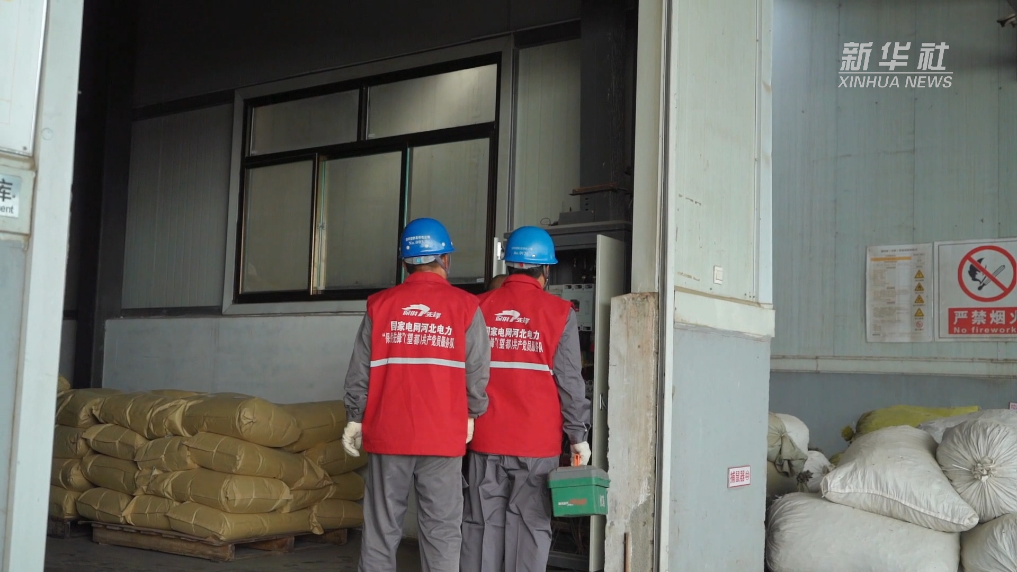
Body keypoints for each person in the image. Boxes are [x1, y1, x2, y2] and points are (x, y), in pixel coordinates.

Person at [342, 217, 491, 572]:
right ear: (445, 259)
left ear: (405, 263)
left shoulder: (380, 305)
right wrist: (472, 413)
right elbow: (477, 370)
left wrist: (355, 416)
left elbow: (360, 369)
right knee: (442, 532)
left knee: (381, 531)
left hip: (387, 433)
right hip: (442, 435)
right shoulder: (466, 306)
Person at [460, 226, 592, 572]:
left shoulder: (477, 306)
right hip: (537, 444)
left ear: (508, 265)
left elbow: (463, 373)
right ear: (545, 269)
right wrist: (578, 436)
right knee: (530, 528)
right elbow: (569, 382)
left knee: (482, 527)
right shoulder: (560, 312)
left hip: (485, 438)